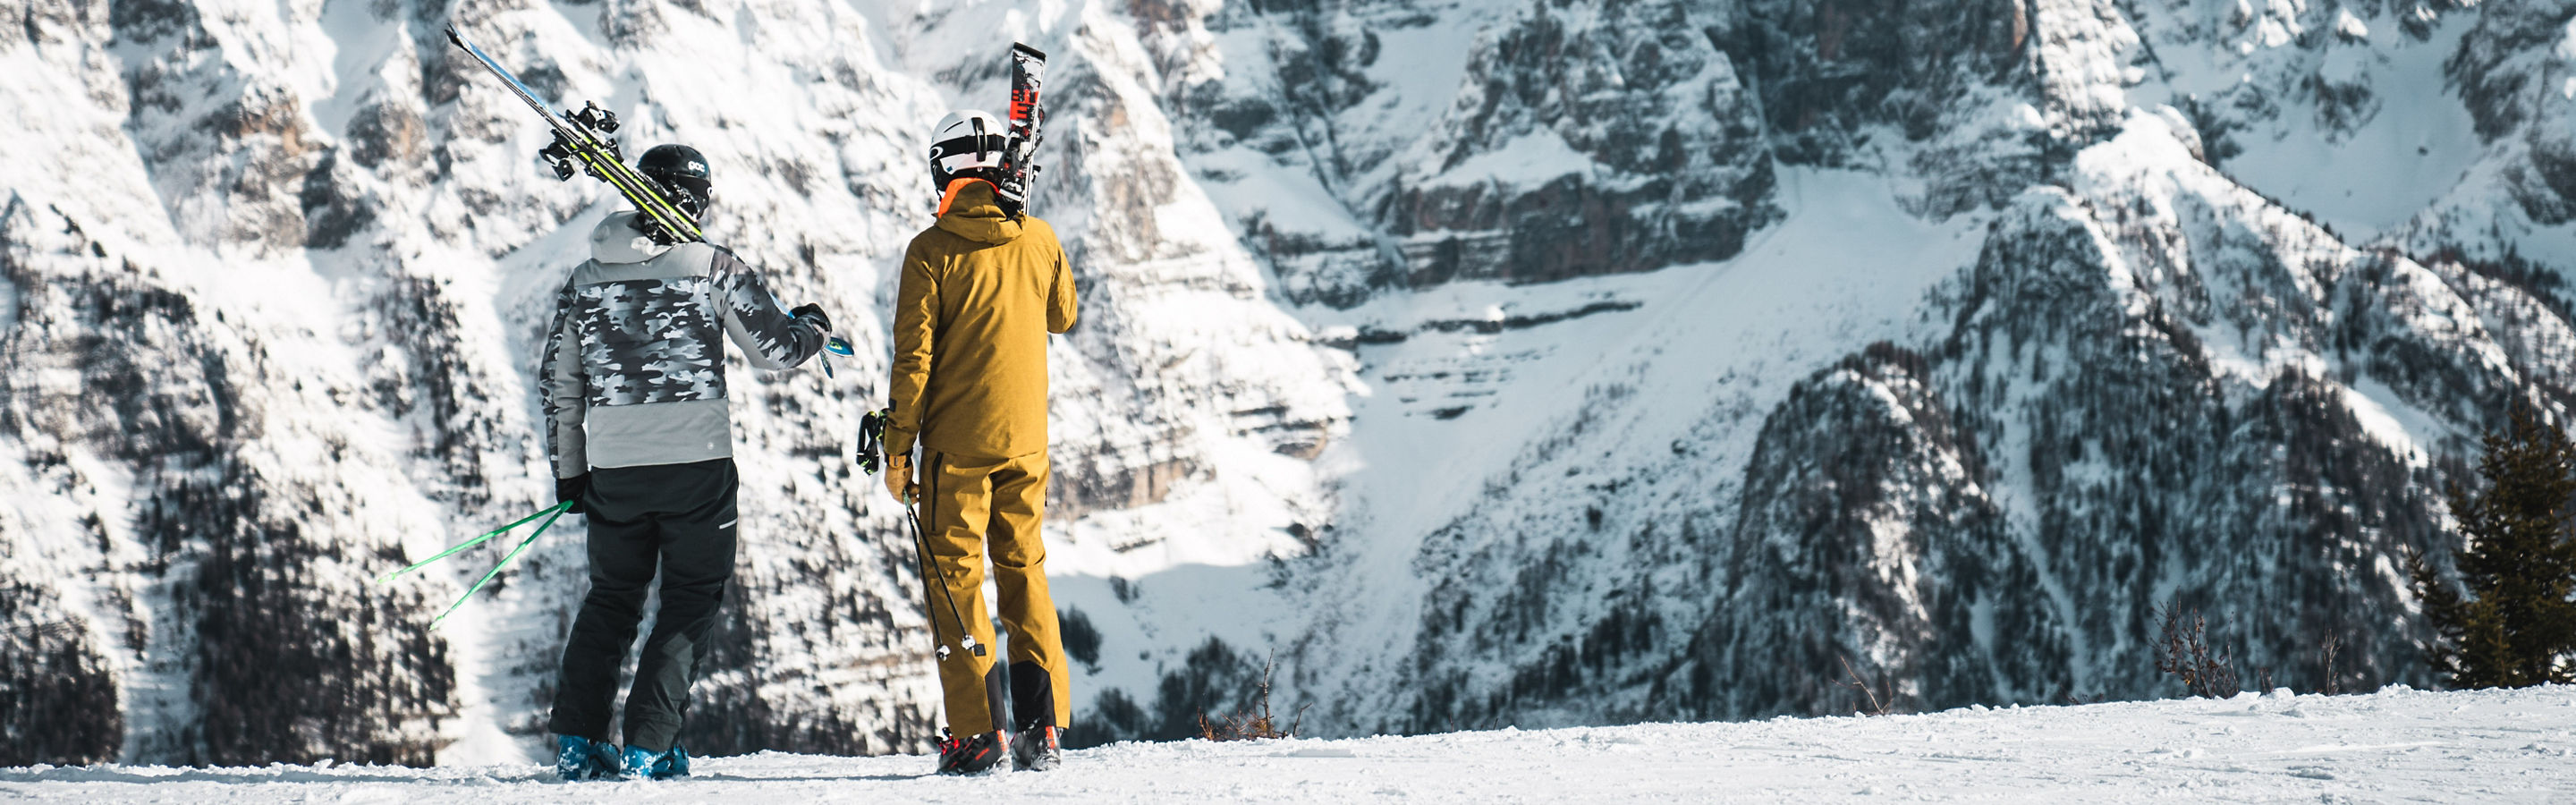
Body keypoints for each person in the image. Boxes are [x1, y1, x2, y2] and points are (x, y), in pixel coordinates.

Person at [538, 143, 833, 781]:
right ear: (694, 198)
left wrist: (570, 473)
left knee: (612, 597)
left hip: (613, 472)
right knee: (690, 598)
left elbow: (557, 383)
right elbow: (776, 350)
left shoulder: (586, 278)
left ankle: (577, 741)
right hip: (697, 468)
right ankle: (649, 745)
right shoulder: (713, 268)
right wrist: (812, 324)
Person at [885, 109, 1078, 775]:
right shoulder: (1040, 237)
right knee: (1025, 572)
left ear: (944, 170)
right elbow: (1063, 315)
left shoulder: (930, 251)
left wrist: (897, 449)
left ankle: (978, 734)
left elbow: (913, 362)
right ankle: (1042, 729)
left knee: (957, 583)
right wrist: (1030, 230)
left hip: (954, 451)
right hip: (1027, 445)